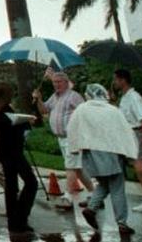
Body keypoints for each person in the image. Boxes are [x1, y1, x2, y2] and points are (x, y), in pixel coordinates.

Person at [68, 83, 138, 236]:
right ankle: (122, 223)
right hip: (111, 152)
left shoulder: (82, 109)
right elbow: (125, 132)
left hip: (90, 154)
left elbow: (72, 129)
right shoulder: (113, 111)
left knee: (104, 184)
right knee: (117, 187)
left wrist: (73, 149)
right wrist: (131, 153)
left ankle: (91, 208)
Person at [32, 71, 92, 208]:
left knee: (70, 166)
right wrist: (39, 99)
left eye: (59, 82)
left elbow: (85, 113)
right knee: (78, 169)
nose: (56, 84)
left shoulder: (74, 96)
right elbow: (44, 110)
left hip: (73, 137)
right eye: (54, 82)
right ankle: (94, 194)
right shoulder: (55, 97)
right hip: (61, 138)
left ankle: (68, 197)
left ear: (66, 82)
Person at [0, 82, 37, 236]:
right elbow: (11, 126)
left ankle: (15, 222)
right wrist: (24, 123)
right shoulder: (3, 112)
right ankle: (20, 217)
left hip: (5, 152)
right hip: (12, 152)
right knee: (31, 182)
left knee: (11, 186)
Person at [112, 68, 142, 212]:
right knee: (139, 170)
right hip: (130, 136)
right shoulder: (125, 97)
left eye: (116, 79)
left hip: (138, 135)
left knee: (140, 168)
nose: (114, 82)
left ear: (123, 80)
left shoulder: (134, 97)